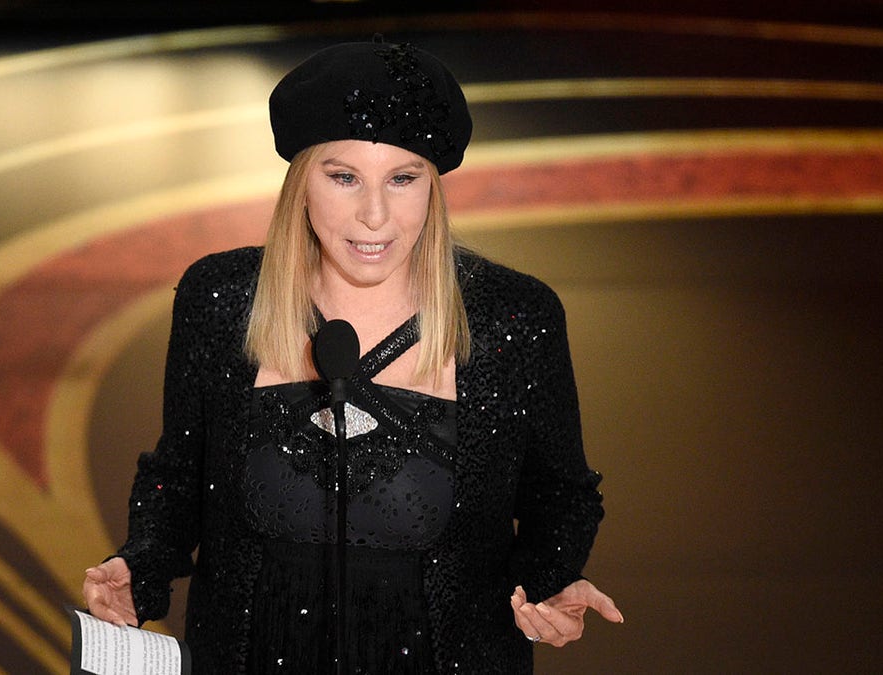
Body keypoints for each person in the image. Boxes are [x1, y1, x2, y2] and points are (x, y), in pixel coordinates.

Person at [83, 39, 622, 674]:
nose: (374, 215)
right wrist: (137, 567)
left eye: (402, 178)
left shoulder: (515, 315)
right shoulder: (222, 297)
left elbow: (560, 494)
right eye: (344, 177)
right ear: (300, 183)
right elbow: (178, 473)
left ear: (434, 186)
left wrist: (549, 583)